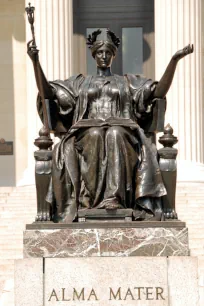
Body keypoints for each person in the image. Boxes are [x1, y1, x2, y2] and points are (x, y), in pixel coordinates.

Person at [27, 29, 193, 222]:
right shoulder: (80, 83)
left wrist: (174, 60)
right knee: (96, 134)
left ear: (114, 55)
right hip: (87, 131)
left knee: (114, 133)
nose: (104, 56)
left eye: (108, 53)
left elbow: (158, 92)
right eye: (100, 52)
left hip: (123, 130)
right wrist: (35, 62)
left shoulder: (127, 82)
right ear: (93, 55)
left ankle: (113, 199)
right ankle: (91, 201)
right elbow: (48, 93)